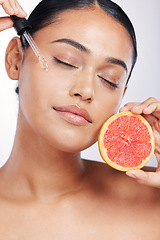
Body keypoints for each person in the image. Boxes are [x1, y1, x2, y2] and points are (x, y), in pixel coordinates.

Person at [0, 0, 160, 238]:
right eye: (67, 61)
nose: (86, 90)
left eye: (109, 79)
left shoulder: (153, 200)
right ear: (15, 59)